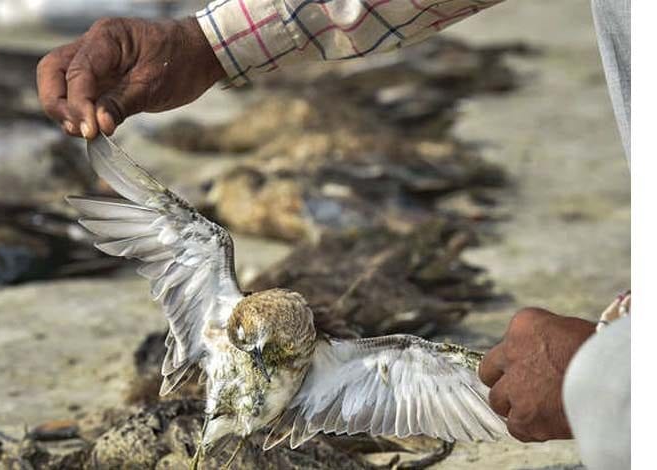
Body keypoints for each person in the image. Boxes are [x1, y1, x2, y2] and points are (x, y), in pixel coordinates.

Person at [36, 1, 631, 468]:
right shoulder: (224, 313)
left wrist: (598, 371)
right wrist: (205, 42)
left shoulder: (334, 362)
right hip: (221, 413)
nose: (249, 347)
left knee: (437, 359)